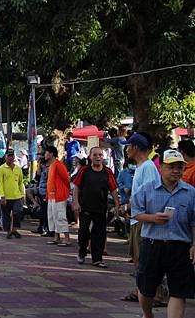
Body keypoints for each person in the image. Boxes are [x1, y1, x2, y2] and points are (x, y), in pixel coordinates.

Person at [132, 149, 195, 318]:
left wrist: (194, 244)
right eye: (171, 166)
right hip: (152, 244)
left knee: (179, 291)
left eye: (180, 167)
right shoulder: (147, 189)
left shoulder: (190, 192)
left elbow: (193, 222)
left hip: (180, 247)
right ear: (162, 168)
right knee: (146, 288)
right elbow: (135, 212)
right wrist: (152, 218)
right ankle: (147, 314)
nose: (176, 171)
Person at [122, 132, 165, 304]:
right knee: (138, 258)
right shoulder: (140, 167)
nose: (126, 150)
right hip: (136, 219)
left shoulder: (147, 167)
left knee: (146, 259)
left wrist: (131, 207)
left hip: (143, 220)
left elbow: (150, 194)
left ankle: (157, 293)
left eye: (128, 146)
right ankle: (142, 289)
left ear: (136, 147)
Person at [73, 147, 120, 268]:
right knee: (84, 231)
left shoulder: (108, 172)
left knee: (99, 234)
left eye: (100, 155)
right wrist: (76, 202)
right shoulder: (84, 170)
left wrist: (117, 205)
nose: (98, 157)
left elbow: (113, 189)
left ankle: (97, 259)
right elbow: (76, 187)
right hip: (85, 207)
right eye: (95, 155)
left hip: (100, 208)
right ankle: (82, 252)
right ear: (90, 157)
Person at [43, 146, 71, 247]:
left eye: (46, 152)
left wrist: (64, 191)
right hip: (51, 196)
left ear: (51, 154)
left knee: (60, 216)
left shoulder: (59, 165)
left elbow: (66, 179)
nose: (45, 155)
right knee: (52, 217)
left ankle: (67, 238)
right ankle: (56, 237)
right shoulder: (51, 166)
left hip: (59, 195)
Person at [0, 149, 25, 239]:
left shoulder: (18, 169)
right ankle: (9, 231)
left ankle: (14, 230)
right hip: (5, 196)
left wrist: (22, 194)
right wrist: (2, 196)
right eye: (8, 156)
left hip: (17, 196)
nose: (10, 158)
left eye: (12, 156)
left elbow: (21, 182)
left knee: (17, 212)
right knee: (6, 215)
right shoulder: (2, 169)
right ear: (5, 157)